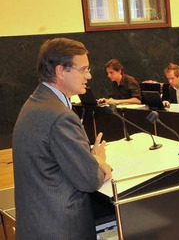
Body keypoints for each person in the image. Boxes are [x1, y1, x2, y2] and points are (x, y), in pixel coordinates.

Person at [13, 38, 112, 239]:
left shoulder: (36, 101)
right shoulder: (60, 116)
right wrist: (98, 162)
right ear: (60, 71)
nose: (89, 75)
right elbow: (89, 180)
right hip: (59, 228)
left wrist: (86, 158)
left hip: (37, 222)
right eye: (83, 70)